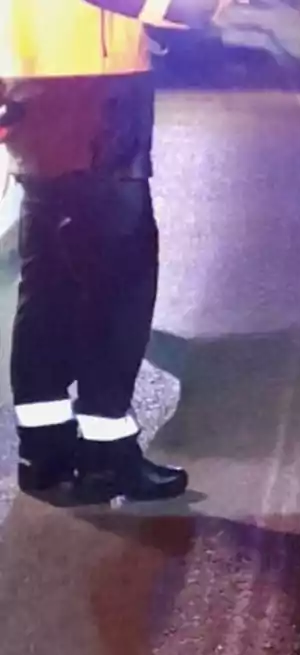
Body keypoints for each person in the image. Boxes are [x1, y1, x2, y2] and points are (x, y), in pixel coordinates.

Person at [1, 0, 229, 504]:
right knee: (119, 289)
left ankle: (44, 453)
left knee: (52, 286)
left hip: (39, 93)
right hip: (94, 104)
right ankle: (104, 454)